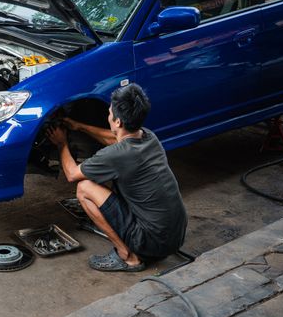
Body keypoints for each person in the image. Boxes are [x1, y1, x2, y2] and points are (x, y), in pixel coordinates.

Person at [47, 83, 187, 272]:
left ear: (118, 122)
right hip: (175, 236)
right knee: (101, 177)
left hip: (152, 242)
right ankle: (124, 236)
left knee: (85, 187)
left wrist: (61, 143)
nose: (108, 117)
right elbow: (112, 138)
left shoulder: (117, 155)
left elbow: (72, 174)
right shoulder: (148, 136)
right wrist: (79, 126)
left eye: (109, 114)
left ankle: (128, 256)